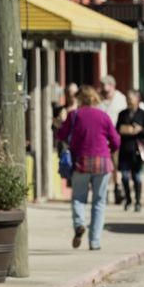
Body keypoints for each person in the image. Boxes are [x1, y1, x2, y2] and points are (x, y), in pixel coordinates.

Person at [56, 85, 120, 251]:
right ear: (95, 99)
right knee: (99, 202)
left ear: (80, 99)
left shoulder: (74, 115)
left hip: (81, 162)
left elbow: (61, 135)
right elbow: (116, 141)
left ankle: (79, 224)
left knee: (78, 197)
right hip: (103, 163)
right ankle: (95, 242)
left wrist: (59, 124)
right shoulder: (104, 116)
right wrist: (109, 150)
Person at [116, 89, 144, 212]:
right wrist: (124, 129)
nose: (129, 101)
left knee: (136, 177)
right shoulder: (123, 114)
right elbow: (117, 129)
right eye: (127, 99)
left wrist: (140, 130)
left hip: (137, 151)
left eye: (131, 99)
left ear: (137, 100)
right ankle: (128, 199)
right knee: (125, 177)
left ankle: (138, 201)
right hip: (125, 148)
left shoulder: (143, 113)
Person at [97, 74, 127, 205]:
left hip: (116, 136)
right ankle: (106, 191)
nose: (104, 90)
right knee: (105, 166)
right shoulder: (99, 99)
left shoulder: (120, 99)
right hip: (102, 138)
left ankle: (117, 189)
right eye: (102, 87)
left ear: (112, 86)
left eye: (106, 87)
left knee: (116, 165)